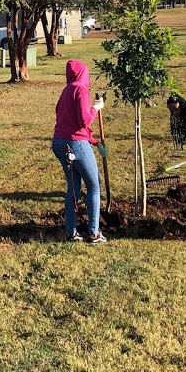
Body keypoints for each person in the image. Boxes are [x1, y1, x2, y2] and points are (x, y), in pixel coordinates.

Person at [51, 59, 107, 244]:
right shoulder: (81, 89)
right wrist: (96, 108)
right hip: (75, 144)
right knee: (94, 186)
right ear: (84, 74)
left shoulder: (66, 91)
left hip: (60, 143)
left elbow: (69, 122)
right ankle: (94, 233)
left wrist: (95, 142)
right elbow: (84, 121)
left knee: (74, 189)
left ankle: (71, 233)